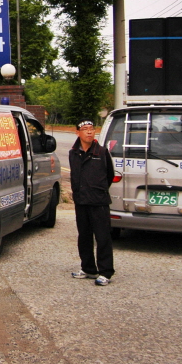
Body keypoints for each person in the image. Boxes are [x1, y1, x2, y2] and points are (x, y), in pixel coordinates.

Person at [69, 119, 114, 286]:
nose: (89, 132)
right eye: (85, 129)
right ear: (78, 133)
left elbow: (109, 175)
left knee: (103, 237)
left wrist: (98, 190)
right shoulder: (73, 153)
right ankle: (88, 268)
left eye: (91, 129)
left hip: (98, 201)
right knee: (84, 236)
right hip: (81, 201)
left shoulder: (101, 152)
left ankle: (105, 272)